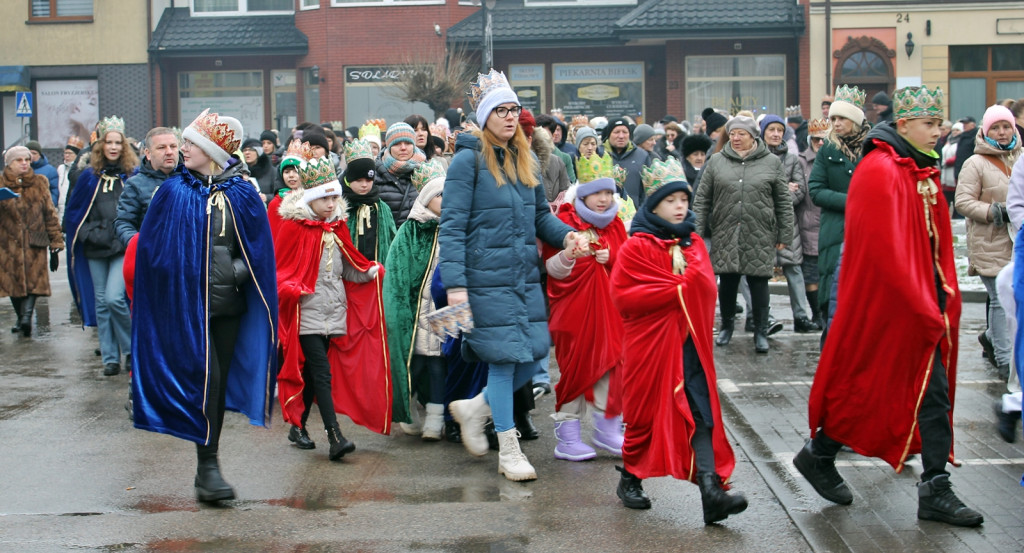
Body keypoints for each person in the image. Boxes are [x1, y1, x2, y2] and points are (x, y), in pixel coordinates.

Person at [795, 85, 984, 528]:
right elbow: (884, 250)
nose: (938, 132)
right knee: (891, 389)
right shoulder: (881, 169)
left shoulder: (917, 167)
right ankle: (829, 456)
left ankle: (927, 483)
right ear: (903, 125)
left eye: (939, 124)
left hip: (922, 302)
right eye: (929, 124)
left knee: (913, 393)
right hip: (896, 308)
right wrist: (922, 308)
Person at [129, 109, 278, 503]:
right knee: (203, 382)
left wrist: (234, 272)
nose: (184, 150)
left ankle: (207, 468)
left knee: (217, 382)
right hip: (184, 308)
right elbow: (151, 251)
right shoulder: (171, 191)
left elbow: (260, 251)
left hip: (227, 306)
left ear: (211, 151)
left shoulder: (243, 193)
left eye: (191, 144)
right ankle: (207, 467)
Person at [442, 69, 582, 482]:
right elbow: (450, 227)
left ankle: (474, 408)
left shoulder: (527, 159)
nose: (508, 117)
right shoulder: (468, 161)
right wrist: (456, 286)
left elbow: (541, 216)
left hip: (522, 278)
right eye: (500, 110)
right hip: (483, 280)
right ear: (484, 117)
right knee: (504, 363)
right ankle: (508, 449)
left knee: (534, 354)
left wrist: (569, 235)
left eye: (513, 109)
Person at [610, 157, 746, 522]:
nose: (680, 206)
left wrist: (679, 288)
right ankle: (630, 477)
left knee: (699, 414)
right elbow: (625, 296)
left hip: (689, 345)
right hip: (651, 347)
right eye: (671, 201)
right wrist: (676, 289)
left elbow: (703, 286)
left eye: (684, 199)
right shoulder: (636, 246)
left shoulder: (694, 242)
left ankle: (711, 490)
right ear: (654, 204)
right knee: (645, 416)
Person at [274, 151, 389, 459]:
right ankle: (335, 436)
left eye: (334, 199)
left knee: (314, 374)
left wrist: (369, 272)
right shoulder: (294, 228)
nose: (330, 205)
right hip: (306, 313)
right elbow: (280, 271)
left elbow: (349, 266)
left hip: (334, 312)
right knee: (322, 371)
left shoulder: (338, 228)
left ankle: (296, 426)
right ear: (310, 200)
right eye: (324, 199)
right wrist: (291, 287)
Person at [542, 153, 627, 462]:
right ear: (583, 193)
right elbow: (552, 269)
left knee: (610, 366)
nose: (603, 199)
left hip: (610, 315)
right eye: (596, 193)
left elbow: (630, 267)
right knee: (575, 370)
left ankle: (607, 429)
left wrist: (613, 259)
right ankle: (567, 437)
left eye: (608, 192)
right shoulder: (564, 222)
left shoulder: (617, 225)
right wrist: (570, 257)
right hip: (573, 313)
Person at [693, 115, 793, 353]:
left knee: (759, 282)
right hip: (725, 229)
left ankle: (760, 331)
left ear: (753, 136)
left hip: (759, 230)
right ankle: (727, 326)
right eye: (733, 134)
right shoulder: (716, 161)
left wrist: (784, 234)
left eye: (742, 134)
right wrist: (696, 233)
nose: (736, 138)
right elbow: (702, 200)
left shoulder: (771, 162)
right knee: (727, 282)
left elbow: (783, 201)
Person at [64, 116, 137, 376]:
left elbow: (137, 213)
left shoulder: (132, 176)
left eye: (118, 142)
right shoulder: (87, 177)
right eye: (109, 142)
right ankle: (109, 358)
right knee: (101, 304)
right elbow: (75, 214)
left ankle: (130, 350)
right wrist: (90, 234)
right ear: (101, 146)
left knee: (115, 297)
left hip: (121, 248)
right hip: (95, 248)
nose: (114, 147)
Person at [955, 104, 1021, 380]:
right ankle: (1005, 360)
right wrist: (993, 211)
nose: (1002, 132)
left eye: (1006, 126)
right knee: (998, 300)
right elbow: (962, 201)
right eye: (996, 127)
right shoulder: (976, 163)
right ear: (986, 130)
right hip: (989, 241)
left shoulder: (1022, 157)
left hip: (1018, 240)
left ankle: (992, 337)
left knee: (1015, 300)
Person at [384, 159, 448, 440]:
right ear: (426, 199)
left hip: (443, 311)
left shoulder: (454, 230)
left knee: (438, 366)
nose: (445, 201)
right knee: (414, 363)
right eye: (439, 195)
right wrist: (399, 310)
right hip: (416, 309)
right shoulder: (410, 231)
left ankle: (436, 418)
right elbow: (396, 273)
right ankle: (408, 407)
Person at [809, 85, 868, 332]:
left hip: (868, 226)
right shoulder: (828, 150)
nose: (836, 123)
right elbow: (816, 189)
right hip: (835, 228)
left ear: (855, 119)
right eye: (833, 118)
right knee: (832, 286)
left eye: (841, 118)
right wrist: (851, 201)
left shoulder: (873, 147)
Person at [760, 115, 817, 332]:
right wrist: (784, 189)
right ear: (763, 132)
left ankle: (801, 317)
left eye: (779, 130)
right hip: (762, 222)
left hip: (787, 223)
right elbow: (756, 190)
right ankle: (764, 316)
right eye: (771, 130)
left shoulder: (792, 159)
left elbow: (801, 191)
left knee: (794, 269)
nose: (775, 134)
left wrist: (777, 196)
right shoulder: (756, 157)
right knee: (761, 272)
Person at [0, 146, 64, 336]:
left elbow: (50, 214)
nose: (24, 164)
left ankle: (27, 317)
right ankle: (21, 317)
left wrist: (56, 244)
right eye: (19, 160)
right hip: (7, 242)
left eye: (27, 160)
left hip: (35, 240)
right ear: (9, 164)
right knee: (13, 282)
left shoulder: (39, 182)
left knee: (35, 280)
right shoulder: (1, 183)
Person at [114, 127, 181, 247]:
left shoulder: (191, 180)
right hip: (152, 256)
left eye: (173, 146)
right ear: (148, 153)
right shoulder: (135, 184)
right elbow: (124, 222)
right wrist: (137, 244)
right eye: (161, 147)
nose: (169, 152)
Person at [342, 139, 396, 263]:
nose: (364, 185)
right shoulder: (341, 207)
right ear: (348, 180)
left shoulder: (382, 208)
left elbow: (391, 238)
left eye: (368, 180)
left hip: (377, 270)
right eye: (358, 180)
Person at [796, 119, 828, 327]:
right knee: (811, 274)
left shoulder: (832, 159)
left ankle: (826, 314)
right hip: (807, 224)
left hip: (827, 223)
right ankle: (817, 314)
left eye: (824, 139)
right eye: (816, 139)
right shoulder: (800, 161)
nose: (820, 143)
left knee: (828, 274)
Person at [376, 122, 426, 228]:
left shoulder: (426, 172)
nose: (403, 148)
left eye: (408, 143)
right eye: (397, 144)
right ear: (388, 146)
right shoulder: (376, 174)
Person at [603, 117, 653, 207]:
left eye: (625, 132)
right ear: (609, 134)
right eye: (616, 132)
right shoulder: (599, 154)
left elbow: (648, 189)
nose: (621, 136)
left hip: (634, 214)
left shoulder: (642, 156)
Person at [267, 141, 304, 236]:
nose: (291, 176)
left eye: (296, 171)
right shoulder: (276, 203)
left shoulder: (313, 199)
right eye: (287, 172)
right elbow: (273, 235)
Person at [56, 136, 84, 221]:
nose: (67, 156)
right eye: (65, 153)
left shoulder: (80, 169)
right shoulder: (60, 168)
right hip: (60, 206)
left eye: (70, 153)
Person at [240, 138, 275, 204]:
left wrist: (267, 197)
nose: (247, 153)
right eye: (245, 150)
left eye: (251, 150)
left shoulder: (271, 171)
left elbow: (280, 193)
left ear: (258, 152)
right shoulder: (238, 171)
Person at [26, 140, 59, 207]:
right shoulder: (21, 169)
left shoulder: (50, 170)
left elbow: (55, 191)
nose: (31, 156)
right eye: (29, 153)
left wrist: (47, 205)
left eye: (34, 153)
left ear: (40, 155)